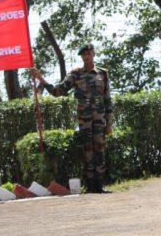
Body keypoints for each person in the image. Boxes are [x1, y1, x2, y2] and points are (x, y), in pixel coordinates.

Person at [32, 43, 114, 194]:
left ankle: (100, 185)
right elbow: (58, 91)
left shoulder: (103, 74)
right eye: (84, 55)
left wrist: (109, 123)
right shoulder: (75, 74)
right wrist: (41, 79)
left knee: (100, 151)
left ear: (93, 54)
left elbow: (107, 99)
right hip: (85, 120)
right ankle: (91, 186)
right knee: (87, 151)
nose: (86, 57)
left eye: (89, 54)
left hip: (100, 120)